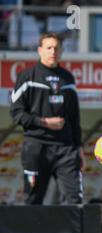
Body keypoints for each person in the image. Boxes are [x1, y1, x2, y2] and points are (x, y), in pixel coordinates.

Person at [10, 32, 84, 205]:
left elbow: (74, 117)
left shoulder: (68, 78)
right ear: (39, 50)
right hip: (36, 148)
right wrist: (44, 122)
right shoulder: (27, 77)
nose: (53, 52)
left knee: (74, 200)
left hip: (65, 149)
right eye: (48, 48)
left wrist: (79, 147)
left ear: (62, 51)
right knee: (33, 199)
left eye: (56, 48)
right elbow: (16, 113)